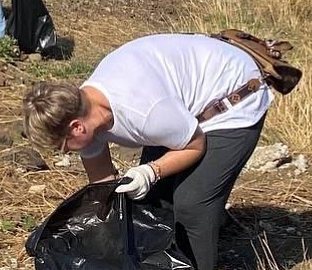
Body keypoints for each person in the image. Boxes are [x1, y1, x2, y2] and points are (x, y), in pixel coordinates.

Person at [23, 33, 272, 270]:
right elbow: (103, 187)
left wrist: (151, 171)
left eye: (63, 147)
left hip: (234, 98)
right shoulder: (87, 112)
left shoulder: (144, 112)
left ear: (76, 128)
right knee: (149, 201)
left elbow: (195, 145)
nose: (65, 154)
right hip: (180, 108)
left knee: (192, 204)